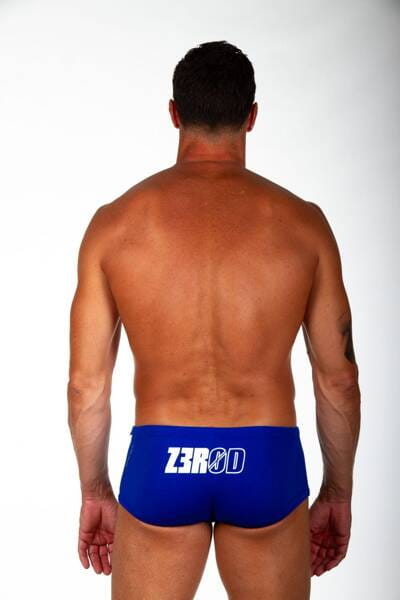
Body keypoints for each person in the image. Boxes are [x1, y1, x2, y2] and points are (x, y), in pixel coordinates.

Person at [67, 40, 361, 600]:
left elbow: (86, 385)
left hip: (162, 460)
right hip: (266, 462)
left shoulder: (114, 226)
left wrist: (95, 488)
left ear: (174, 114)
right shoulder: (304, 225)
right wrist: (338, 491)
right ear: (252, 117)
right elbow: (339, 379)